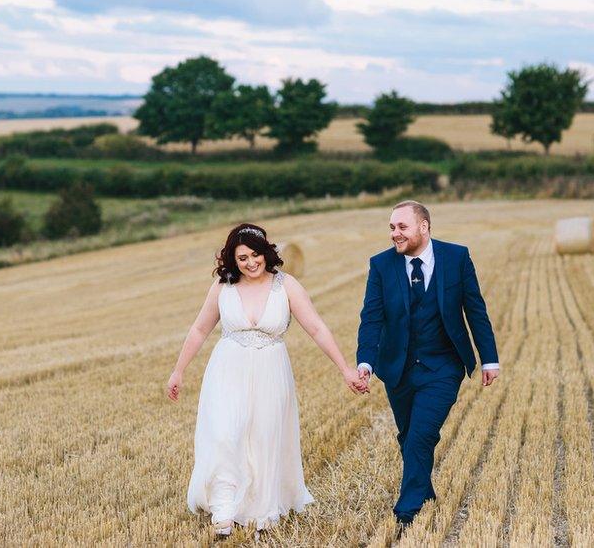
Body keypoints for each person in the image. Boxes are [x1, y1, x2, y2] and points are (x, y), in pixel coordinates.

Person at [166, 223, 368, 537]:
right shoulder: (223, 287)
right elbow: (199, 330)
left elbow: (316, 328)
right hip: (227, 369)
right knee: (223, 434)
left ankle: (260, 507)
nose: (250, 263)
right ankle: (223, 506)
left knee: (263, 438)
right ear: (233, 260)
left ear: (266, 253)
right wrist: (178, 371)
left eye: (255, 255)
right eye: (242, 257)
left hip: (271, 372)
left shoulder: (286, 286)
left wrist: (345, 369)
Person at [355, 200, 499, 533]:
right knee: (409, 436)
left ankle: (407, 509)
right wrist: (365, 360)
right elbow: (371, 318)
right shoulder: (381, 265)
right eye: (391, 227)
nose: (395, 234)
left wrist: (489, 358)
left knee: (421, 434)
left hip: (443, 365)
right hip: (398, 368)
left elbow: (475, 310)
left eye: (401, 227)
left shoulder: (457, 257)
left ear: (424, 226)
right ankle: (426, 489)